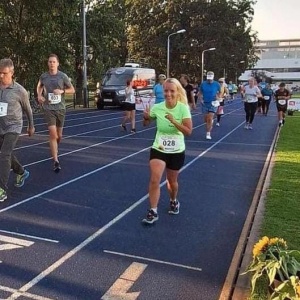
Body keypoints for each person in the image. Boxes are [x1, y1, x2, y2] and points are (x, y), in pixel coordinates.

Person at [142, 78, 192, 224]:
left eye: (171, 91)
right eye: (166, 91)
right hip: (159, 147)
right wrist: (145, 117)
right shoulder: (157, 107)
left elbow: (188, 131)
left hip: (176, 149)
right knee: (155, 179)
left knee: (172, 182)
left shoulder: (183, 108)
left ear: (177, 92)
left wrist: (174, 121)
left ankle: (173, 199)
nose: (168, 94)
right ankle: (153, 211)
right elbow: (146, 123)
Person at [0, 58, 35, 202]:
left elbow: (28, 109)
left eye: (4, 73)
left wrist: (31, 125)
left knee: (4, 154)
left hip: (13, 127)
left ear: (12, 72)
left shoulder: (20, 91)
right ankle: (21, 171)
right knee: (6, 154)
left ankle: (2, 189)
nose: (1, 76)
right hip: (0, 126)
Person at [37, 54, 75, 172]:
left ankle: (55, 147)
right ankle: (56, 161)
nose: (52, 64)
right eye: (50, 62)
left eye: (54, 62)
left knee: (59, 136)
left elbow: (72, 90)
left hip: (60, 109)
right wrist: (39, 96)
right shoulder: (44, 76)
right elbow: (39, 86)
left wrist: (62, 91)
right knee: (52, 134)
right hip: (48, 109)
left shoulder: (62, 76)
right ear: (47, 63)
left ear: (58, 63)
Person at [198, 71, 221, 140]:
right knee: (206, 119)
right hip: (205, 103)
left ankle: (208, 133)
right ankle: (210, 122)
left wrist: (218, 97)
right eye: (208, 78)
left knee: (210, 118)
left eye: (211, 78)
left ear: (213, 77)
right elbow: (200, 93)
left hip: (213, 103)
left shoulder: (216, 84)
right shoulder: (203, 84)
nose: (209, 80)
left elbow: (220, 92)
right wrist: (201, 99)